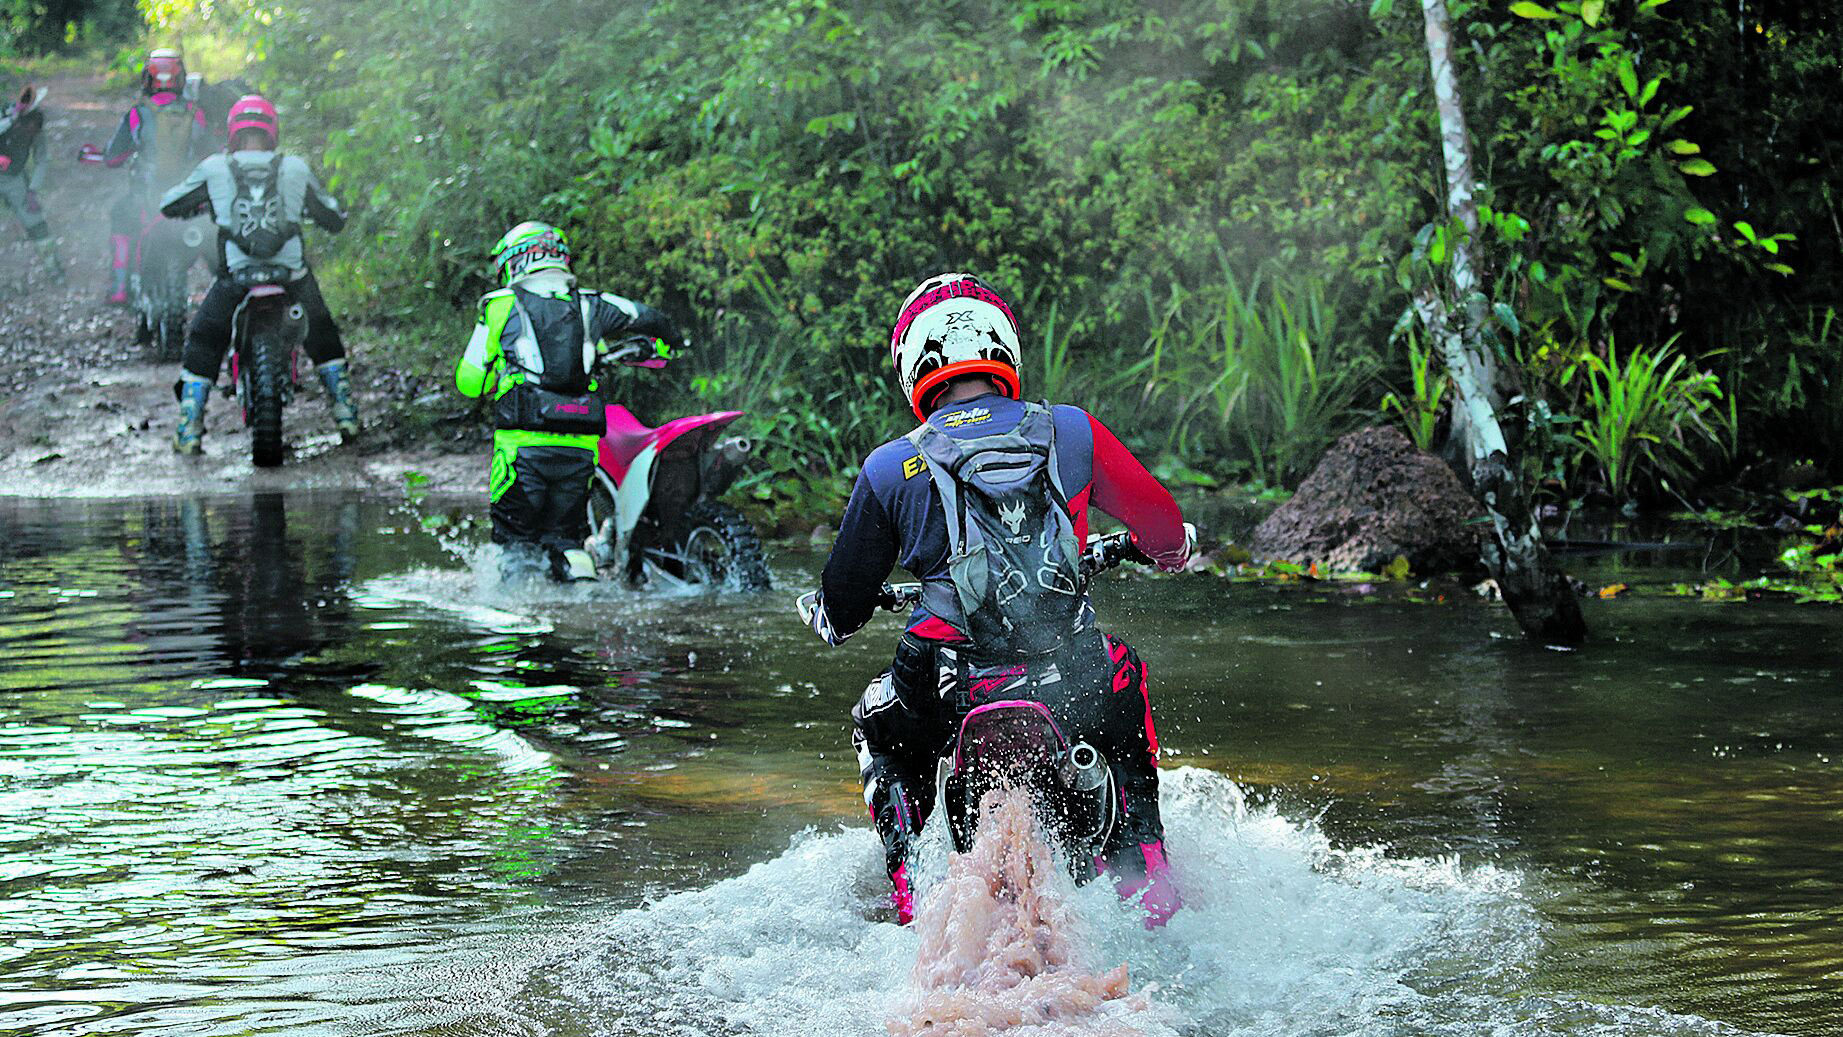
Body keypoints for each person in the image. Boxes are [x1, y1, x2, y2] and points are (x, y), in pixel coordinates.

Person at [802, 273, 1192, 928]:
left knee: (877, 720)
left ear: (911, 362)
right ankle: (1147, 875)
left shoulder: (890, 465)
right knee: (1124, 681)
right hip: (1068, 669)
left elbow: (843, 608)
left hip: (941, 677)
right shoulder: (1070, 430)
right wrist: (1169, 549)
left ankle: (915, 901)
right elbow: (1160, 525)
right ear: (1001, 346)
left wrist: (830, 613)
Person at [455, 221, 687, 583]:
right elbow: (651, 318)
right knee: (567, 539)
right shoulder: (593, 303)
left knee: (517, 544)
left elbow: (469, 383)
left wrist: (497, 368)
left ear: (515, 261)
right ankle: (582, 598)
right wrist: (671, 345)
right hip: (580, 450)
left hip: (521, 449)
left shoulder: (500, 304)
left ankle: (516, 620)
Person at [159, 94, 354, 453]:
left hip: (237, 278)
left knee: (204, 338)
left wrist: (204, 206)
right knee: (322, 330)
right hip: (290, 278)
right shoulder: (296, 167)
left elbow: (170, 204)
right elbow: (332, 216)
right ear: (272, 131)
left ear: (234, 131)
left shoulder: (214, 167)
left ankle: (189, 428)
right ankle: (345, 412)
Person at [101, 48, 209, 304]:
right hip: (188, 196)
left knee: (120, 215)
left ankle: (119, 288)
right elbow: (211, 153)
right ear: (180, 79)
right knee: (212, 229)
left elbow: (113, 158)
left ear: (148, 79)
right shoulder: (198, 114)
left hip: (147, 194)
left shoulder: (138, 113)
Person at [0, 83, 63, 279]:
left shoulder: (35, 128)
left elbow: (41, 159)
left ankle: (53, 268)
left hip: (14, 177)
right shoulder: (7, 116)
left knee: (36, 222)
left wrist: (33, 190)